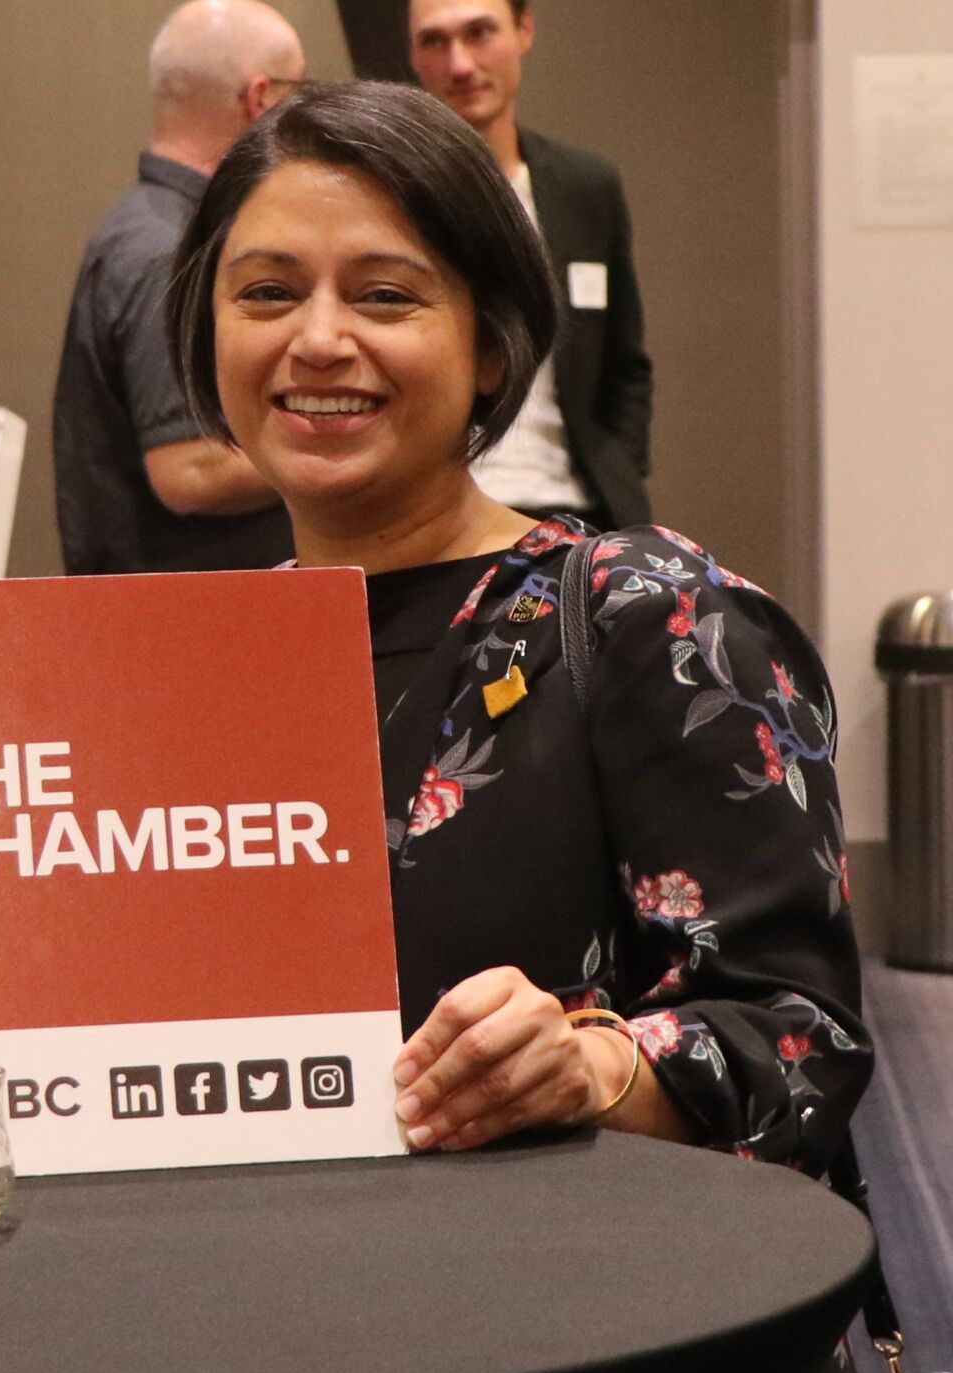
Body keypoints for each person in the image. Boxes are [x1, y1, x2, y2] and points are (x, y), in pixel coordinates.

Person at [166, 81, 868, 1172]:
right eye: (267, 292)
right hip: (267, 1266)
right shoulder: (191, 659)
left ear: (490, 345)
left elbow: (800, 1039)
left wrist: (597, 1069)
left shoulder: (654, 615)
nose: (319, 339)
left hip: (578, 1272)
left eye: (385, 295)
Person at [53, 0, 303, 576]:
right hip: (188, 609)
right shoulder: (171, 249)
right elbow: (189, 469)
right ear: (260, 98)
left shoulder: (153, 229)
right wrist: (356, 452)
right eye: (297, 91)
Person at [408, 0, 653, 528]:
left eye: (480, 33)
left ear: (524, 30)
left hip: (579, 510)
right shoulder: (392, 196)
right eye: (435, 41)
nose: (460, 65)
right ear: (413, 54)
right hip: (442, 513)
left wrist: (620, 471)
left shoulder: (585, 186)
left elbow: (624, 365)